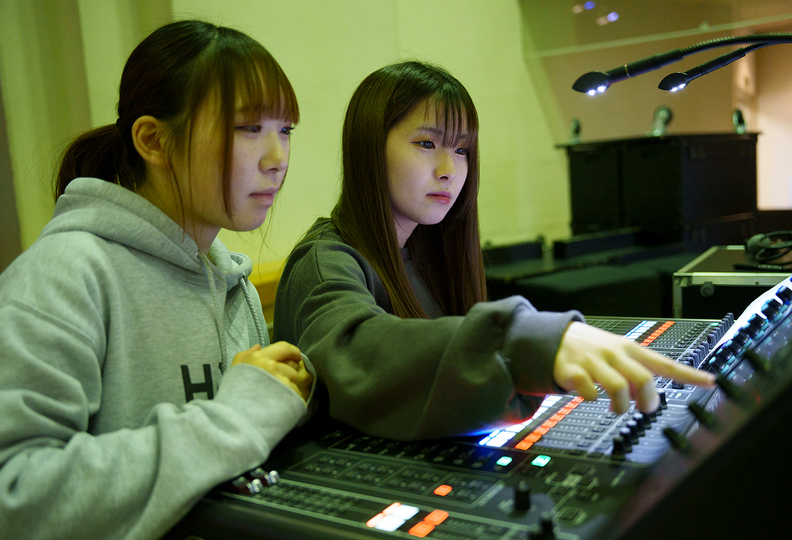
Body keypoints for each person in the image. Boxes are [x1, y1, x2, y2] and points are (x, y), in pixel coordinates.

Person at [273, 60, 713, 441]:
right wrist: (525, 343)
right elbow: (355, 354)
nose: (449, 170)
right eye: (427, 144)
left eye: (461, 150)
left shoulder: (427, 250)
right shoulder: (325, 262)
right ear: (369, 148)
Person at [0, 20, 313, 540]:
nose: (277, 159)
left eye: (285, 131)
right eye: (248, 129)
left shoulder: (229, 280)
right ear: (153, 140)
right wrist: (235, 417)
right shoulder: (65, 275)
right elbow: (15, 496)